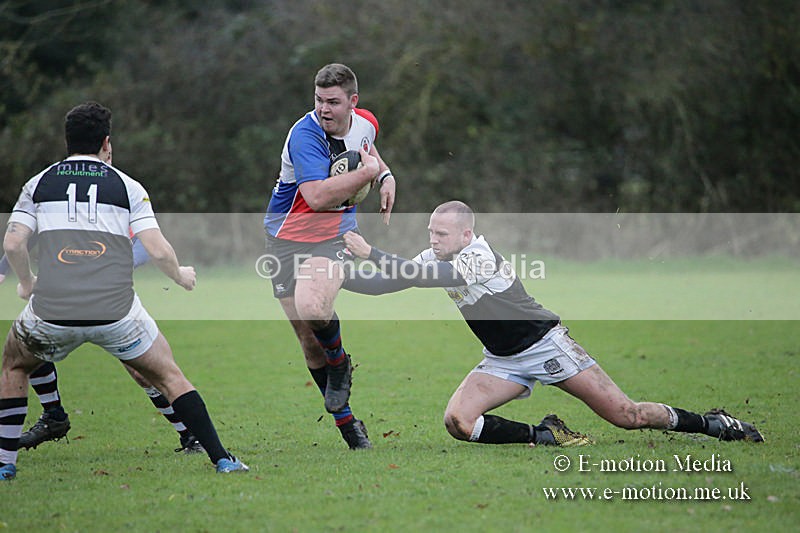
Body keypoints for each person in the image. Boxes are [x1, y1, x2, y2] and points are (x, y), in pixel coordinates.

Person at [341, 201, 765, 446]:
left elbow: (430, 278)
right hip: (501, 360)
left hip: (546, 345)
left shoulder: (478, 256)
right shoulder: (436, 256)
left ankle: (714, 424)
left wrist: (370, 250)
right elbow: (390, 282)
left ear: (467, 234)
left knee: (626, 415)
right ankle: (546, 435)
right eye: (431, 233)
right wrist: (338, 279)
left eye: (442, 235)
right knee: (458, 422)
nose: (433, 242)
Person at [0, 102, 248, 481]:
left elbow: (14, 244)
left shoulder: (38, 184)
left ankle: (5, 465)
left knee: (14, 365)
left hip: (52, 310)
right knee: (170, 376)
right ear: (106, 143)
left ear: (67, 142)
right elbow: (158, 248)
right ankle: (222, 459)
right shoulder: (126, 185)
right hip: (116, 312)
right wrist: (180, 275)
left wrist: (27, 282)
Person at [1, 157, 203, 455]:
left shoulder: (117, 191)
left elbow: (148, 246)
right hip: (72, 295)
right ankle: (54, 413)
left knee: (142, 371)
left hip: (109, 296)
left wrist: (105, 269)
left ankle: (189, 436)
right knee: (30, 346)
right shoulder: (59, 193)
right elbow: (24, 239)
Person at [263, 63, 396, 450]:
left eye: (333, 102)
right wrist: (370, 173)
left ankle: (339, 364)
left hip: (333, 238)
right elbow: (318, 198)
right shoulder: (304, 136)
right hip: (285, 240)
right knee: (307, 342)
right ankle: (348, 424)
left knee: (312, 305)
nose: (324, 109)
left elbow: (371, 152)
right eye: (319, 100)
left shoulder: (365, 122)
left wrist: (385, 176)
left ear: (353, 102)